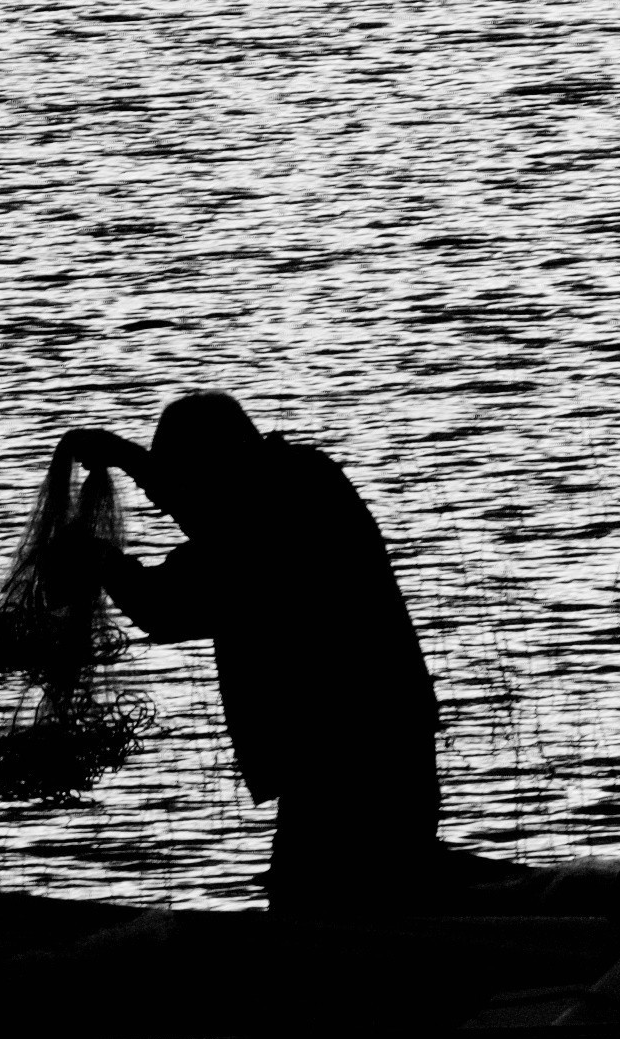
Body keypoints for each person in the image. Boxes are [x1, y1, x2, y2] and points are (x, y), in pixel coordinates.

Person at [52, 390, 448, 912]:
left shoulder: (274, 510)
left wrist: (102, 556)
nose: (161, 502)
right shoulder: (293, 485)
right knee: (371, 896)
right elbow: (203, 508)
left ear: (217, 462)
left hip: (349, 752)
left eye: (178, 477)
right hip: (369, 741)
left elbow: (167, 608)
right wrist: (128, 463)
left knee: (328, 907)